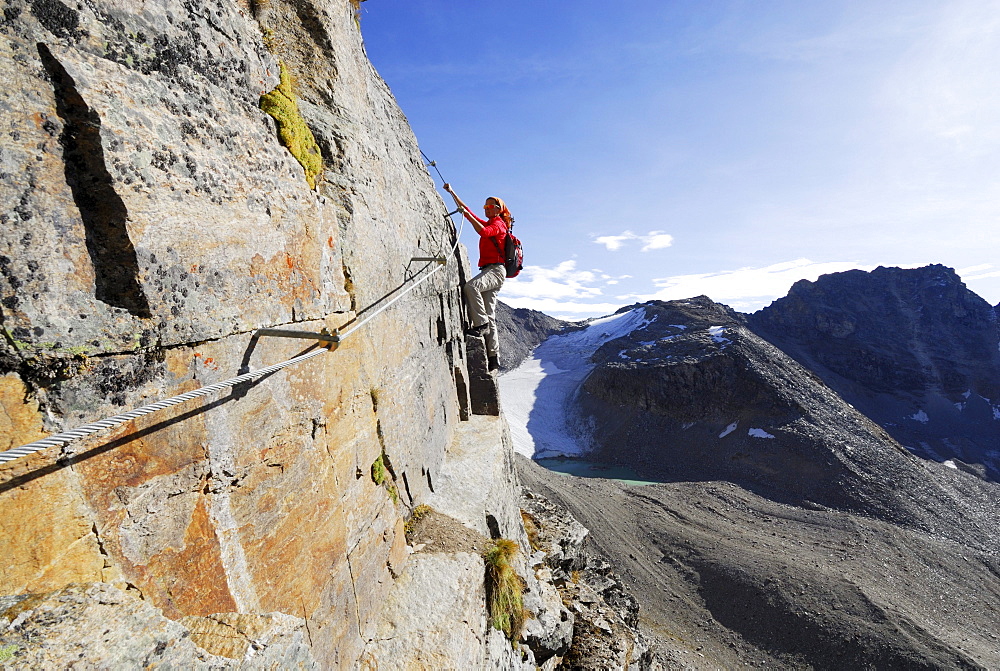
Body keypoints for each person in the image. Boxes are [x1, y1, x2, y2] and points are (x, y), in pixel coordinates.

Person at [444, 183, 512, 372]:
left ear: (499, 209)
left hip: (495, 270)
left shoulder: (498, 225)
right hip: (492, 270)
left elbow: (483, 231)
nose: (487, 209)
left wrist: (470, 216)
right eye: (486, 207)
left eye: (491, 207)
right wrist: (452, 192)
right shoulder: (491, 222)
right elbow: (468, 211)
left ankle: (480, 325)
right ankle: (493, 356)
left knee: (471, 287)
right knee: (490, 314)